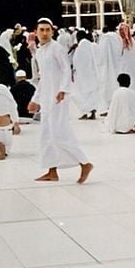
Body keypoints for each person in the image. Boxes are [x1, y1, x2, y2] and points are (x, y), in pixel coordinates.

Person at [27, 18, 93, 184]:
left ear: (52, 31)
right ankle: (52, 171)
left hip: (58, 98)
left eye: (47, 30)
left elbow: (66, 69)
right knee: (47, 135)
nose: (44, 33)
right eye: (41, 30)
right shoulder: (41, 51)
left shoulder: (56, 48)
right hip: (47, 98)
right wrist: (35, 100)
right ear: (36, 32)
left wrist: (63, 90)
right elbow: (44, 78)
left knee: (59, 133)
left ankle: (84, 163)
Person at [72, 30, 99, 120]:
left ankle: (84, 112)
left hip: (82, 74)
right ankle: (92, 112)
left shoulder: (81, 47)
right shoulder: (91, 45)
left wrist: (73, 71)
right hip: (92, 73)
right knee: (91, 93)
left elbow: (76, 61)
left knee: (80, 94)